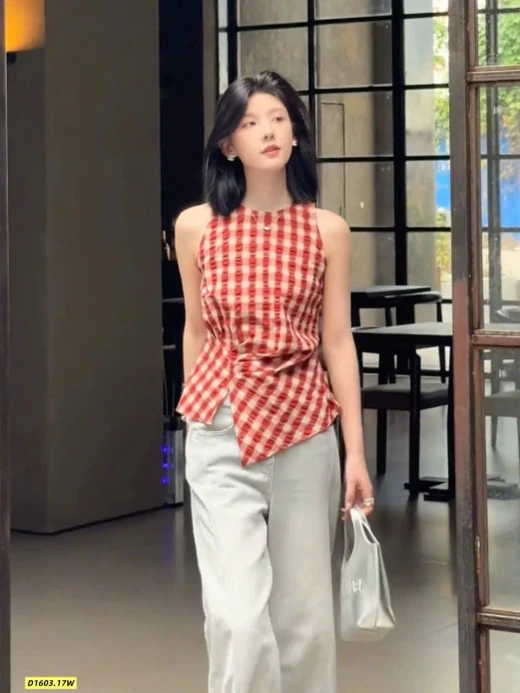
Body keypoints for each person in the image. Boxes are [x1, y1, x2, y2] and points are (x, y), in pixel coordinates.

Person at [175, 70, 374, 693]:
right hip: (220, 429)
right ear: (228, 144)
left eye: (279, 118)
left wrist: (355, 453)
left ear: (295, 133)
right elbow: (196, 329)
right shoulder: (196, 226)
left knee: (305, 623)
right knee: (237, 618)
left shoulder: (327, 230)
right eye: (250, 122)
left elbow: (337, 341)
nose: (268, 131)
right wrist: (195, 417)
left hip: (304, 430)